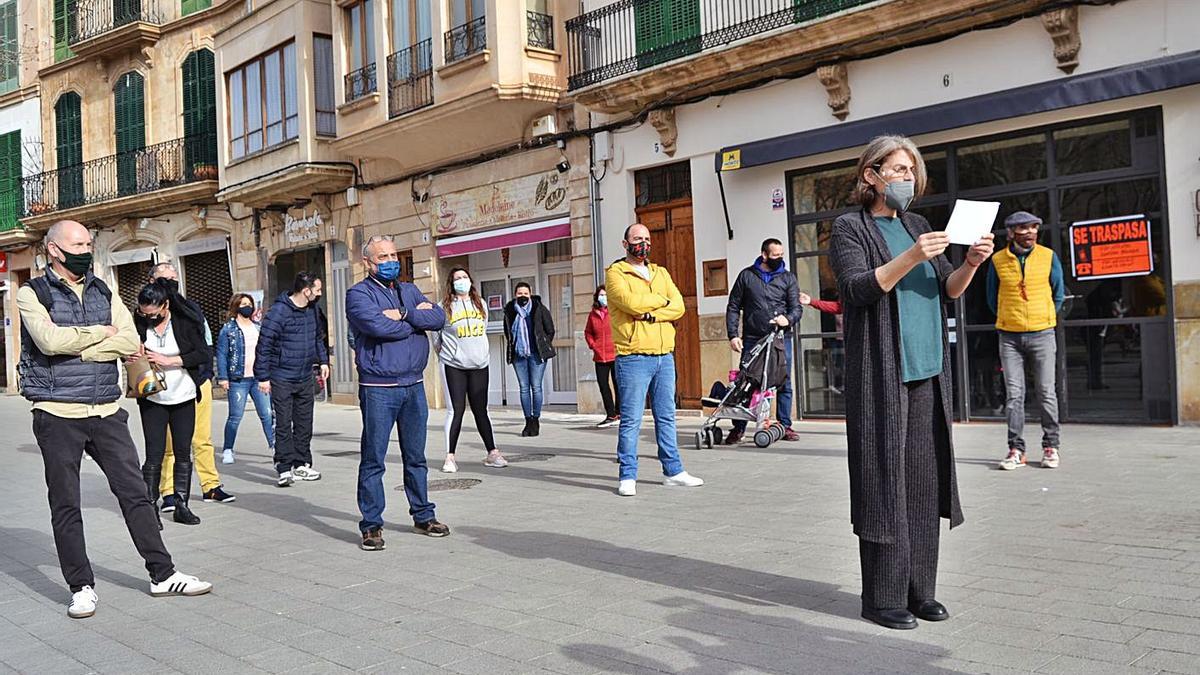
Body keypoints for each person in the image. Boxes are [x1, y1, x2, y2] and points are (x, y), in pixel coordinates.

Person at [829, 135, 993, 630]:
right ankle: (880, 597)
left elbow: (947, 290)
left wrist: (969, 263)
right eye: (897, 170)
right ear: (871, 175)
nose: (906, 178)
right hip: (881, 376)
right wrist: (912, 257)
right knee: (885, 483)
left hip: (927, 372)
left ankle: (921, 590)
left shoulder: (918, 225)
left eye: (911, 171)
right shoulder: (848, 228)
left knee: (923, 484)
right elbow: (858, 289)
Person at [16, 221, 211, 619]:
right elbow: (48, 342)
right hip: (58, 412)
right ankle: (81, 586)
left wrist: (84, 344)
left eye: (89, 242)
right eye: (78, 243)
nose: (86, 249)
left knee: (136, 493)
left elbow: (128, 340)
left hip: (106, 409)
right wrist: (100, 337)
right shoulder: (30, 293)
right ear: (54, 250)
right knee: (66, 503)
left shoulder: (104, 289)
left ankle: (163, 573)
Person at [347, 235, 450, 551]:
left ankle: (423, 515)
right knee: (374, 458)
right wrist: (415, 320)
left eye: (393, 255)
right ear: (369, 262)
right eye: (383, 257)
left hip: (414, 386)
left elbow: (439, 318)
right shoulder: (358, 294)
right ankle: (371, 525)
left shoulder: (409, 290)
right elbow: (378, 328)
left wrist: (405, 314)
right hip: (379, 388)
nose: (391, 261)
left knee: (416, 457)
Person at [606, 223, 705, 497]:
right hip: (633, 356)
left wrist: (652, 313)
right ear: (625, 244)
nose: (643, 244)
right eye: (637, 239)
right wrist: (661, 303)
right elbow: (629, 303)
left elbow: (679, 306)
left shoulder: (660, 272)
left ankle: (673, 471)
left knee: (666, 417)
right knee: (631, 420)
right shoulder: (616, 274)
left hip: (664, 356)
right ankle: (627, 475)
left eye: (647, 239)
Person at [149, 262, 235, 507]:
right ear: (153, 282)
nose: (171, 282)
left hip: (195, 383)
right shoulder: (146, 313)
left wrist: (205, 375)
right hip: (163, 388)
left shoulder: (191, 309)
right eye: (165, 278)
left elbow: (206, 345)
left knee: (202, 438)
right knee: (168, 444)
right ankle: (168, 492)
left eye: (174, 277)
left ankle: (211, 486)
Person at [987, 211, 1065, 471]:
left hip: (1042, 333)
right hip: (1009, 336)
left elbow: (1059, 293)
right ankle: (1016, 449)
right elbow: (990, 297)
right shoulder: (998, 260)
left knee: (1046, 392)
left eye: (1034, 227)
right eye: (1023, 228)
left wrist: (1045, 315)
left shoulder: (1048, 256)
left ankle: (1051, 446)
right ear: (1010, 233)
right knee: (1014, 395)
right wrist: (1009, 318)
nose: (1030, 232)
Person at [132, 280, 210, 526]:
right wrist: (134, 354)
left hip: (183, 395)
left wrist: (171, 360)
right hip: (153, 397)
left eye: (154, 314)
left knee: (182, 452)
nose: (149, 318)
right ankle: (150, 507)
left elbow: (203, 354)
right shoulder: (139, 323)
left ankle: (181, 505)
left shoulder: (185, 323)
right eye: (145, 314)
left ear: (165, 305)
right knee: (154, 454)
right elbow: (126, 350)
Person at [725, 238, 802, 444]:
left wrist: (788, 319)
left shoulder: (788, 278)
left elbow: (797, 308)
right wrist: (733, 334)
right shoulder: (746, 276)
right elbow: (733, 306)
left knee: (783, 382)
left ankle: (784, 425)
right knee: (745, 382)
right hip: (752, 339)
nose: (780, 259)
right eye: (776, 255)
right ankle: (738, 428)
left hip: (780, 338)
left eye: (782, 255)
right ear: (764, 254)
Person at [256, 272, 329, 487]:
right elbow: (265, 344)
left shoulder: (313, 309)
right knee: (284, 423)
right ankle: (284, 467)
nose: (320, 294)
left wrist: (323, 361)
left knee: (304, 422)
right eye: (317, 290)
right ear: (306, 291)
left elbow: (318, 337)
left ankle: (302, 464)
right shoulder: (278, 312)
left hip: (305, 375)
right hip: (282, 376)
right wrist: (263, 377)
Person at [437, 267, 506, 473]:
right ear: (451, 283)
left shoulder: (480, 303)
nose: (462, 281)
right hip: (454, 365)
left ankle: (492, 453)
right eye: (457, 278)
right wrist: (449, 353)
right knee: (455, 410)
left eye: (464, 277)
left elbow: (482, 329)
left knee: (481, 410)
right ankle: (450, 457)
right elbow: (436, 337)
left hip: (479, 365)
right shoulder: (444, 307)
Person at [216, 293, 274, 465]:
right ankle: (228, 449)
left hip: (259, 378)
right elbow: (221, 354)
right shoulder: (228, 329)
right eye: (243, 304)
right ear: (236, 307)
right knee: (235, 416)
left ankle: (274, 445)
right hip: (238, 379)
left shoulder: (258, 327)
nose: (247, 307)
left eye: (249, 304)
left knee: (267, 414)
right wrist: (223, 377)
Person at [503, 281, 556, 437]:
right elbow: (508, 332)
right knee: (524, 388)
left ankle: (536, 419)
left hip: (536, 354)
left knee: (536, 387)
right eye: (520, 294)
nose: (523, 296)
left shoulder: (539, 308)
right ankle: (528, 420)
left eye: (525, 293)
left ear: (530, 293)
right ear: (515, 295)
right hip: (519, 355)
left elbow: (550, 329)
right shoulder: (510, 310)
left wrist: (543, 344)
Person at [584, 285, 620, 428]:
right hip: (600, 355)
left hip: (616, 353)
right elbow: (588, 332)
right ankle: (610, 414)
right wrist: (593, 345)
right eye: (601, 295)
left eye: (605, 295)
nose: (603, 297)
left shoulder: (615, 312)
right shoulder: (592, 314)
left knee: (619, 385)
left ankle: (620, 412)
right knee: (603, 386)